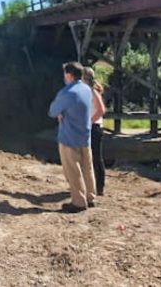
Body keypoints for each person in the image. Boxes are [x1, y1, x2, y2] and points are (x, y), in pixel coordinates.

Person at [47, 62, 97, 213]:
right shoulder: (87, 89)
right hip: (85, 135)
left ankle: (79, 202)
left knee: (73, 170)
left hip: (69, 137)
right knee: (87, 168)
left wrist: (61, 114)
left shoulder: (67, 92)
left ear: (68, 75)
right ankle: (91, 197)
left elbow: (52, 111)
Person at [83, 67, 107, 196]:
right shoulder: (86, 91)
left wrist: (90, 121)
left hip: (95, 127)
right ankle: (90, 185)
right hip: (89, 127)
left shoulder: (93, 91)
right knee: (87, 158)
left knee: (96, 158)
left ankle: (99, 187)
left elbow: (101, 110)